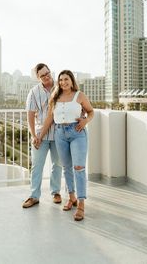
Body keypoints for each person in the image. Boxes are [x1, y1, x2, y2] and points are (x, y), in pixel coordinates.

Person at [38, 70, 94, 221]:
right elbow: (50, 118)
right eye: (61, 79)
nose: (63, 82)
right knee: (66, 168)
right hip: (60, 133)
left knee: (79, 168)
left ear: (72, 80)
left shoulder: (79, 95)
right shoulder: (54, 97)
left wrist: (85, 121)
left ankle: (81, 204)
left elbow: (90, 112)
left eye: (66, 79)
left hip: (77, 132)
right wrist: (40, 136)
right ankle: (72, 197)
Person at [22, 63, 62, 208]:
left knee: (57, 165)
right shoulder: (33, 92)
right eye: (42, 75)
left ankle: (56, 192)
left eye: (47, 73)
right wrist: (33, 135)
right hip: (40, 136)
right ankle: (34, 196)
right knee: (37, 166)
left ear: (50, 72)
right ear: (38, 78)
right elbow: (30, 115)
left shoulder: (61, 87)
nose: (46, 77)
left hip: (58, 134)